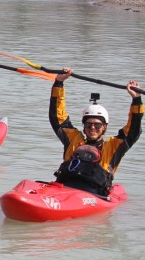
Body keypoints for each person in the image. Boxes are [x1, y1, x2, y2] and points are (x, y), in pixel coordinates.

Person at [50, 68, 142, 198]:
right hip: (64, 188)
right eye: (88, 124)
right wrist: (59, 82)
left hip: (92, 195)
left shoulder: (112, 146)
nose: (92, 127)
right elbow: (57, 118)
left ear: (104, 127)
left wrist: (136, 100)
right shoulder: (74, 140)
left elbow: (133, 130)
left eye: (97, 124)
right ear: (84, 126)